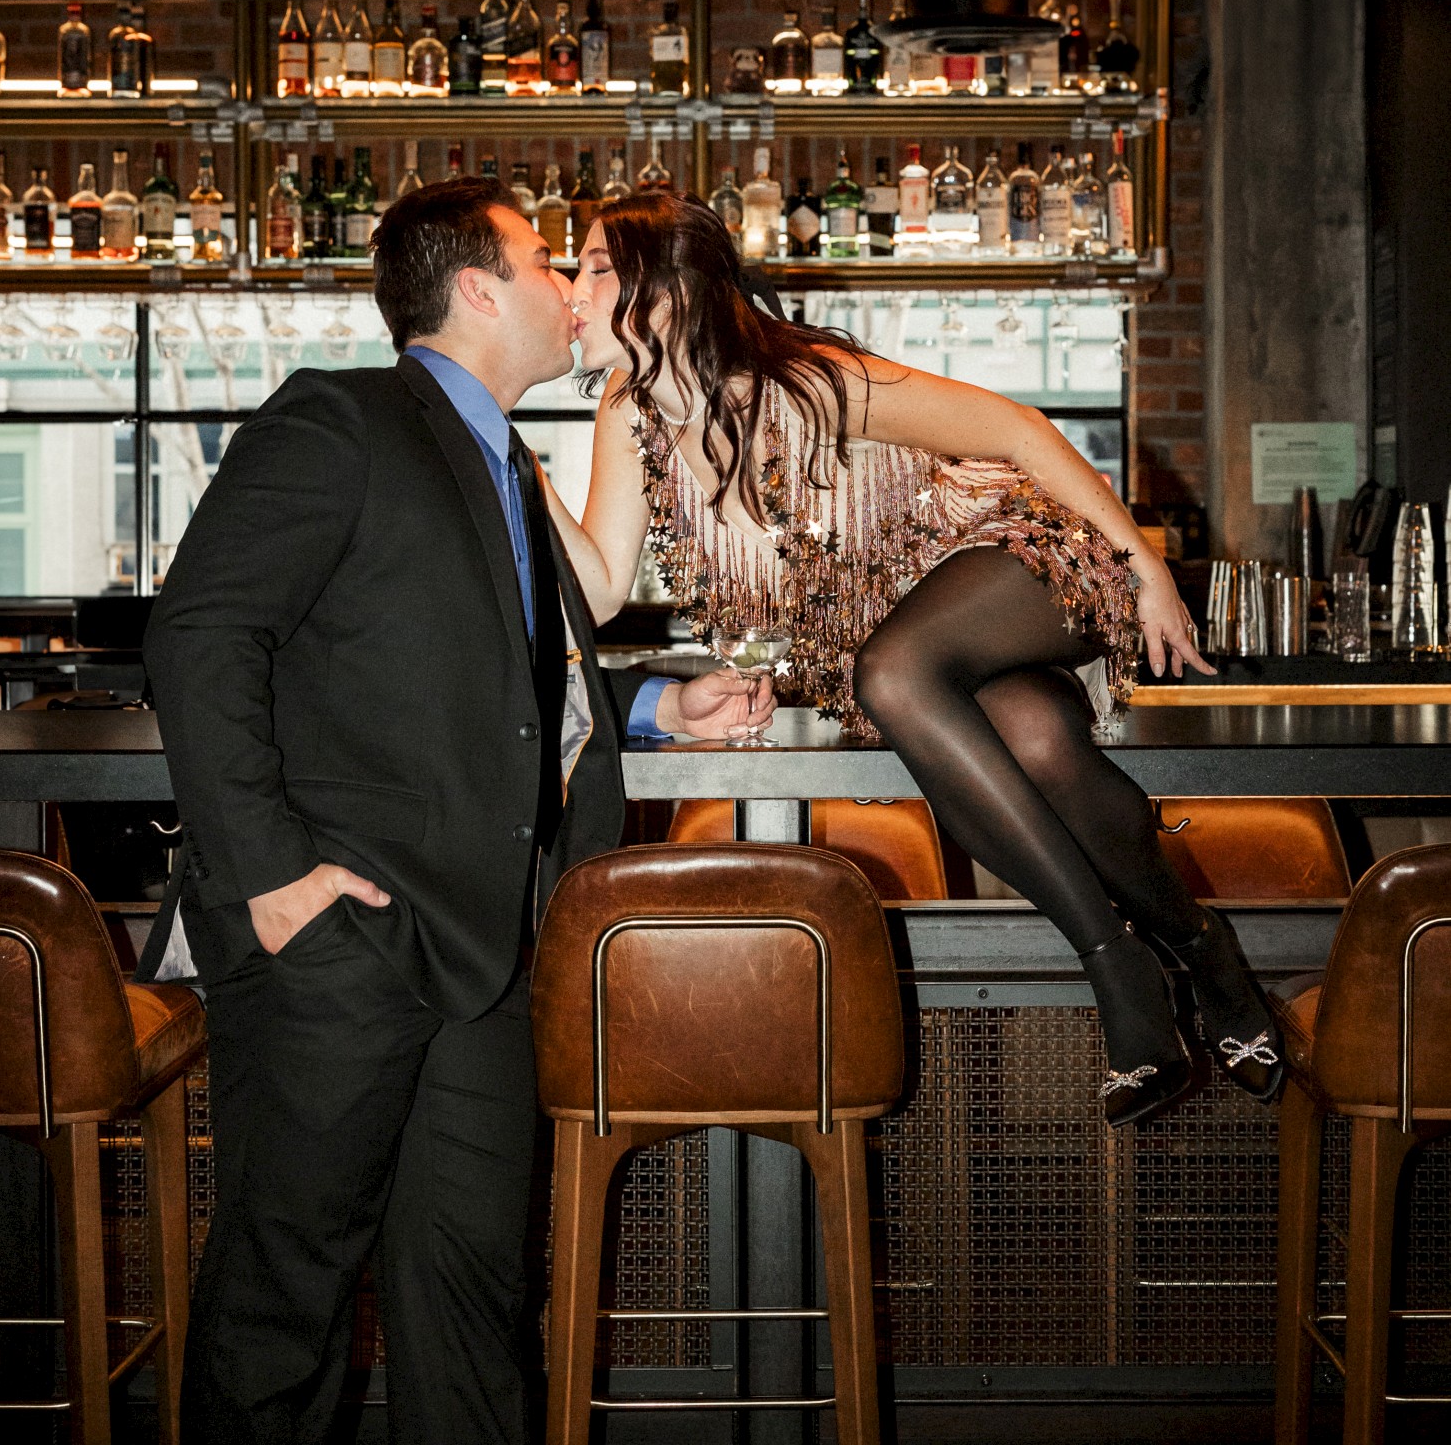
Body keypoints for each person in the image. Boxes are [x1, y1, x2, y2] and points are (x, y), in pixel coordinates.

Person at [138, 178, 772, 1445]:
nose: (566, 288)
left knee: (473, 1306)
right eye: (546, 261)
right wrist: (273, 881)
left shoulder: (503, 465)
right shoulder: (344, 419)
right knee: (286, 1304)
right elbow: (200, 633)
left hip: (484, 954)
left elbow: (503, 667)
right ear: (479, 289)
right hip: (338, 941)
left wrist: (655, 712)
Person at [545, 191, 1284, 1131]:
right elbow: (602, 586)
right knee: (1036, 745)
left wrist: (1147, 573)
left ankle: (1117, 967)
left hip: (1012, 559)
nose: (573, 287)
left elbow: (1019, 430)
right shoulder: (629, 411)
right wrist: (511, 465)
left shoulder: (810, 377)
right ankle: (1202, 949)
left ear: (672, 287)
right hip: (915, 650)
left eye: (598, 267)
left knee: (892, 672)